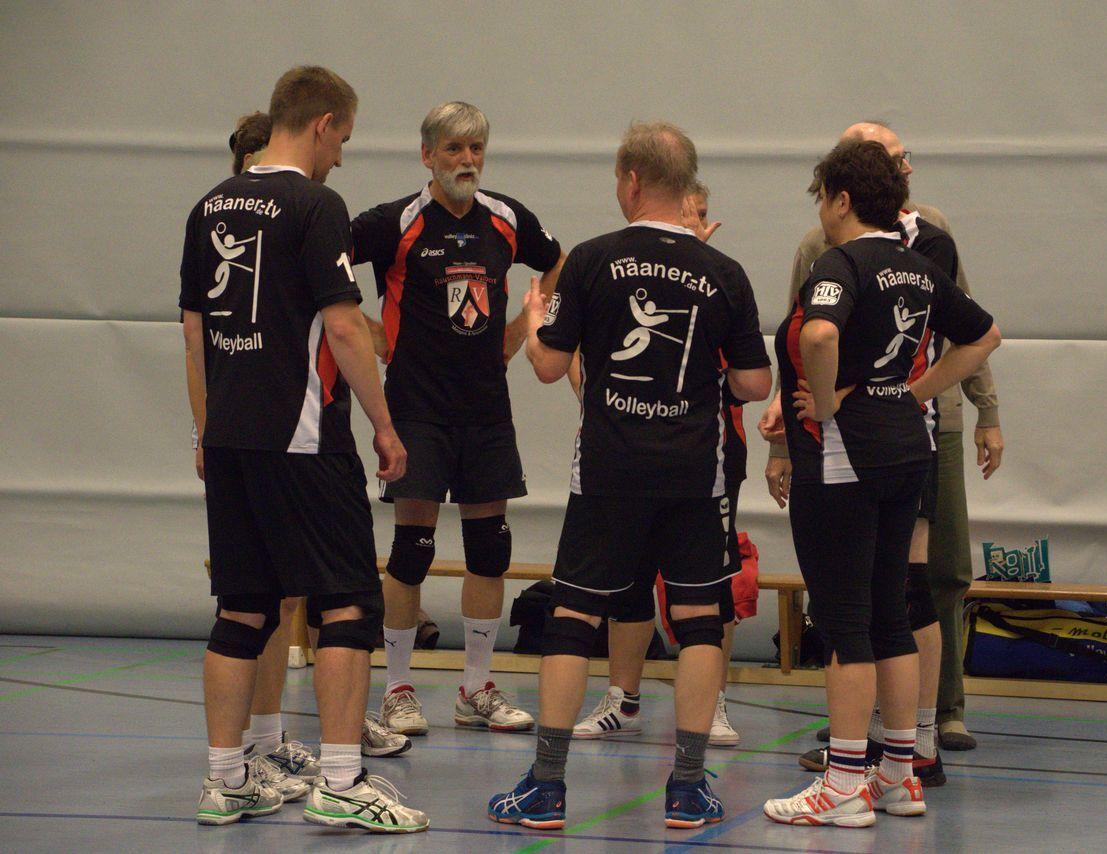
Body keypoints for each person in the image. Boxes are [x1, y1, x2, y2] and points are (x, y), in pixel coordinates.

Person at [488, 122, 772, 830]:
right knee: (699, 619)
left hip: (609, 474)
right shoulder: (723, 272)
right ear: (689, 186)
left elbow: (552, 365)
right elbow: (756, 381)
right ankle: (686, 787)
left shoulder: (591, 260)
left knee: (574, 616)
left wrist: (532, 319)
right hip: (693, 477)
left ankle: (547, 789)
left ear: (632, 179)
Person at [181, 66, 426, 832]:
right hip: (304, 436)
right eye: (343, 139)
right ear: (321, 123)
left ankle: (227, 780)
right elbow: (347, 326)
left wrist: (205, 427)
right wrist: (385, 426)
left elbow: (193, 330)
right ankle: (344, 780)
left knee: (244, 606)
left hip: (228, 438)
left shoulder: (209, 204)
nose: (342, 157)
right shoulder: (316, 205)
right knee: (348, 600)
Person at [761, 139, 999, 827]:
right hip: (907, 452)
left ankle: (841, 782)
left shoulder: (840, 263)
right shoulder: (916, 267)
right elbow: (984, 337)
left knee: (844, 620)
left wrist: (831, 402)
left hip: (844, 460)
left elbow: (818, 336)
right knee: (891, 609)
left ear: (840, 199)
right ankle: (899, 775)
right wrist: (911, 391)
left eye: (823, 201)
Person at [348, 101, 566, 737]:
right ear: (427, 155)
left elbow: (557, 263)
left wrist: (524, 328)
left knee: (490, 552)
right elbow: (322, 269)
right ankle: (397, 689)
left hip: (486, 412)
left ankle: (476, 687)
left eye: (475, 149)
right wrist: (372, 336)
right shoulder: (397, 223)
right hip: (417, 412)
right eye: (454, 150)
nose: (467, 161)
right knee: (411, 552)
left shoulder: (506, 218)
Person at [572, 180, 753, 747]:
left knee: (707, 587)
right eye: (687, 213)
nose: (694, 222)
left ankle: (712, 704)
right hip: (626, 453)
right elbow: (586, 374)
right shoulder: (617, 269)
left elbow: (747, 377)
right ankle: (621, 699)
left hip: (708, 454)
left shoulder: (718, 279)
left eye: (702, 214)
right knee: (626, 582)